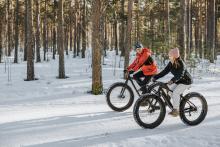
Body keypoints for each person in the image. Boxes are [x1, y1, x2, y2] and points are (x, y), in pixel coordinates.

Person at [153, 48, 193, 117]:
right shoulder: (171, 63)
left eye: (170, 56)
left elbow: (180, 75)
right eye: (169, 56)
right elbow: (164, 71)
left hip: (186, 81)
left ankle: (176, 110)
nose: (169, 57)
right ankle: (178, 104)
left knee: (175, 92)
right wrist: (155, 77)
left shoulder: (181, 64)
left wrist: (172, 80)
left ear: (175, 57)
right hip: (179, 81)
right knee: (170, 91)